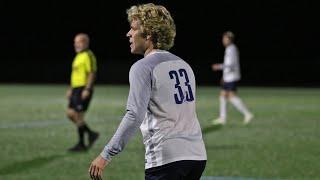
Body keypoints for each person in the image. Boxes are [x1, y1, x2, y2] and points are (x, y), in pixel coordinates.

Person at [89, 3, 207, 180]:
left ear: (149, 33)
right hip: (197, 156)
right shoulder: (184, 65)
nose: (128, 34)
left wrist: (106, 155)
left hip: (166, 159)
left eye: (133, 29)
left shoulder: (143, 67)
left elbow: (134, 115)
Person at [66, 33, 99, 152]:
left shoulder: (88, 55)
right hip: (76, 89)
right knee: (70, 113)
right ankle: (91, 134)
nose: (76, 44)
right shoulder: (78, 56)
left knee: (78, 116)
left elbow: (91, 73)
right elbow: (75, 74)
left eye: (78, 42)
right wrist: (71, 88)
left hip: (83, 89)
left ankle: (81, 144)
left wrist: (87, 89)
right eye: (75, 42)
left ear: (85, 43)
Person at [212, 31, 253, 125]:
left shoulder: (231, 49)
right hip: (228, 77)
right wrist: (224, 76)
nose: (223, 40)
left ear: (229, 39)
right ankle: (222, 118)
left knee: (231, 97)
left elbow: (230, 65)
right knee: (222, 95)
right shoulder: (230, 49)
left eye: (224, 38)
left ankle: (247, 114)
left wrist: (218, 66)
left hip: (231, 77)